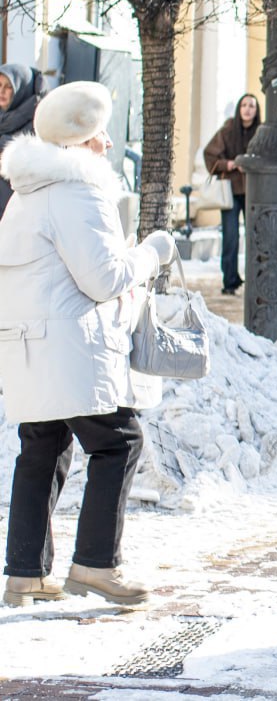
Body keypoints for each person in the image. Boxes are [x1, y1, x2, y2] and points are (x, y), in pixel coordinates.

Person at [0, 81, 177, 608]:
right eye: (101, 132)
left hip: (28, 344)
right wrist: (152, 252)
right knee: (119, 441)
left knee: (42, 446)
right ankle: (96, 566)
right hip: (70, 345)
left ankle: (25, 574)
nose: (108, 142)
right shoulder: (79, 191)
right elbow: (103, 279)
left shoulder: (26, 192)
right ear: (80, 139)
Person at [203, 93, 261, 294]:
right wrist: (229, 164)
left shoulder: (261, 132)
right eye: (244, 105)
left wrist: (251, 165)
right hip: (231, 191)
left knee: (256, 236)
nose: (247, 109)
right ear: (239, 108)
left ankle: (256, 280)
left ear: (257, 110)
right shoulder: (228, 130)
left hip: (255, 192)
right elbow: (209, 154)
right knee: (230, 236)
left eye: (251, 106)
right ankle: (230, 281)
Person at [0, 64, 42, 219]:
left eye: (9, 87)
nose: (2, 91)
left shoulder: (38, 124)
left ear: (21, 90)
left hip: (17, 214)